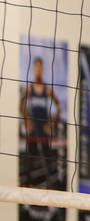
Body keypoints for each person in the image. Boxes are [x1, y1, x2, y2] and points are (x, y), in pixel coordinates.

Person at [20, 56, 62, 186]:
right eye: (36, 67)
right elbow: (21, 105)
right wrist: (26, 120)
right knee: (30, 158)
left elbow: (59, 106)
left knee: (48, 157)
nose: (38, 70)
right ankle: (28, 184)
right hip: (33, 130)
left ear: (42, 70)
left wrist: (51, 123)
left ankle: (49, 185)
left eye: (40, 67)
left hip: (43, 131)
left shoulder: (47, 89)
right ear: (34, 69)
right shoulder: (29, 88)